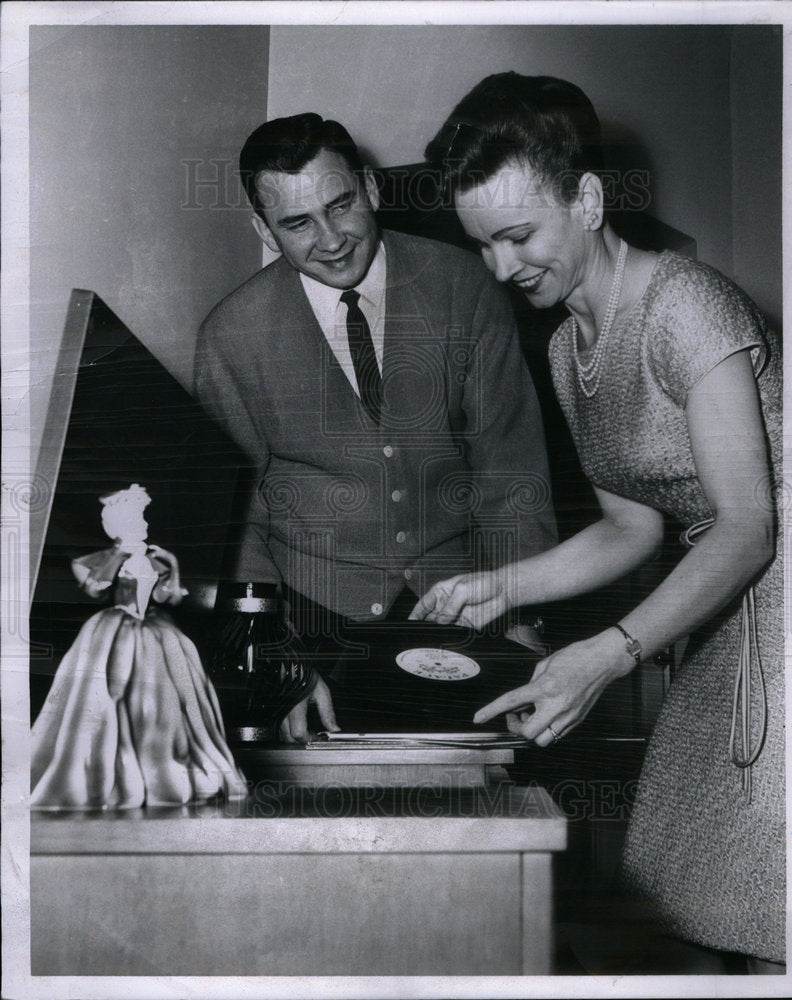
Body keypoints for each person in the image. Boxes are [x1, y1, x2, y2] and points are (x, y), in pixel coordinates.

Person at [411, 73, 784, 970]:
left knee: (765, 901)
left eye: (517, 235)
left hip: (783, 600)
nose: (502, 268)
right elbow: (633, 526)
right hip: (728, 607)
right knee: (691, 885)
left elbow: (747, 526)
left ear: (586, 198)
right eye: (483, 245)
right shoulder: (566, 342)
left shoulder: (685, 305)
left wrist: (608, 653)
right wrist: (497, 586)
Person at [194, 113, 558, 742]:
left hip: (465, 605)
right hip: (308, 625)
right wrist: (272, 657)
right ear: (262, 228)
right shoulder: (230, 335)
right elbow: (235, 522)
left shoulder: (466, 286)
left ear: (372, 188)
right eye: (297, 223)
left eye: (341, 205)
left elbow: (510, 466)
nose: (331, 238)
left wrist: (523, 623)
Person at [30, 484, 248, 809]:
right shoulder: (107, 558)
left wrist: (172, 567)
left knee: (165, 700)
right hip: (117, 627)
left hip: (156, 630)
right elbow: (96, 588)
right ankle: (108, 770)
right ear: (118, 526)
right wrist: (119, 560)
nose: (143, 524)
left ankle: (159, 767)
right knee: (109, 690)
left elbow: (166, 598)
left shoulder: (155, 558)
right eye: (136, 519)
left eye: (143, 518)